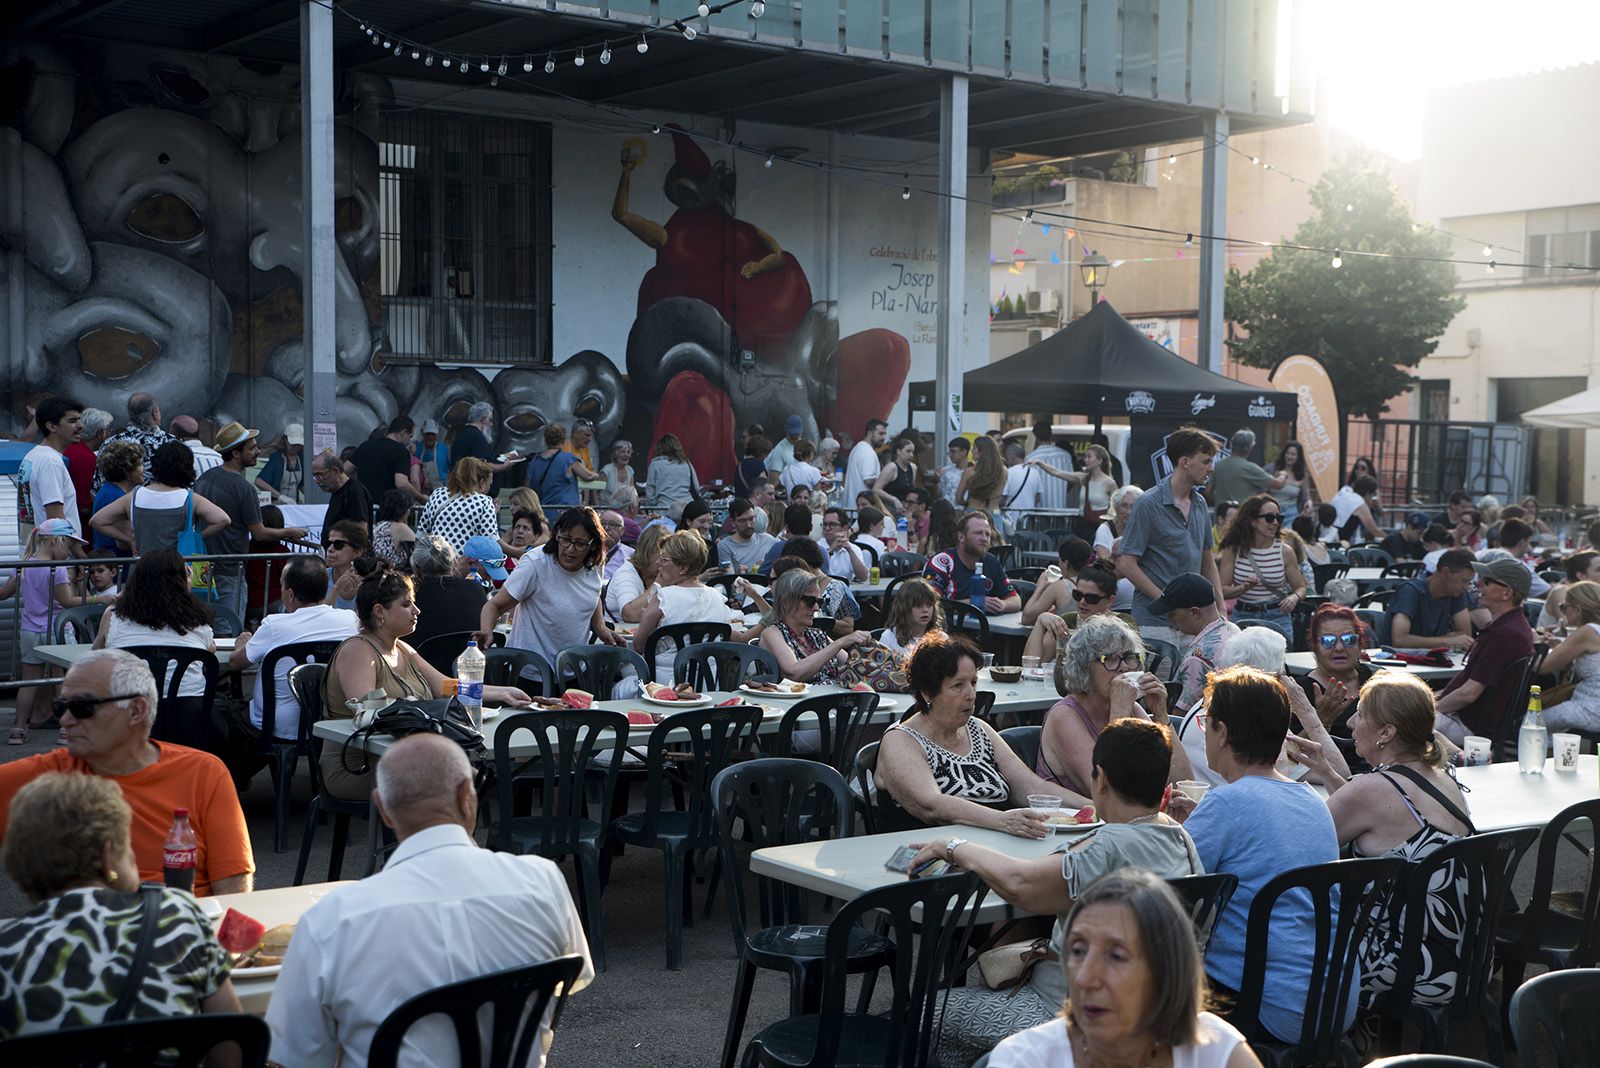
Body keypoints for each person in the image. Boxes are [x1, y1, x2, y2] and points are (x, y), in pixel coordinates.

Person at [266, 733, 592, 1068]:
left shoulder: (333, 921)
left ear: (383, 809)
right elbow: (572, 979)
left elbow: (295, 1055)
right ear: (467, 795)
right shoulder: (543, 881)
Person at [912, 723, 1208, 1067]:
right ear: (1164, 787)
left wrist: (953, 847)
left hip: (1063, 1012)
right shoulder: (1181, 839)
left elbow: (1019, 884)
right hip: (1153, 1013)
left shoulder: (1108, 846)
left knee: (923, 1014)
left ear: (1101, 780)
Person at [1291, 672, 1474, 1050]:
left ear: (1386, 733)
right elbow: (1381, 819)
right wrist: (1327, 771)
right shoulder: (1443, 778)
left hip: (1403, 963)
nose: (1352, 723)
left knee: (1285, 935)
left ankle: (1323, 1047)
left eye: (1359, 714)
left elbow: (1300, 849)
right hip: (1458, 955)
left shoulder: (1370, 790)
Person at [1174, 665, 1345, 1045]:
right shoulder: (1312, 801)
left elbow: (1166, 884)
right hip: (1331, 1000)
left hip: (1262, 1005)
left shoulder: (1227, 802)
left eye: (1207, 724)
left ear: (1223, 732)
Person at [0, 773, 242, 1037]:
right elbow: (232, 1044)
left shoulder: (7, 953)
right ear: (107, 856)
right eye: (127, 845)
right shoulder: (178, 917)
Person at [0, 649, 253, 895]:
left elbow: (233, 884)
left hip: (186, 925)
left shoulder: (203, 772)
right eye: (60, 706)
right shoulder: (46, 778)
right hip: (89, 929)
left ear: (135, 711)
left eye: (82, 706)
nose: (65, 719)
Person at [982, 868, 1258, 1068]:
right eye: (1078, 951)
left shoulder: (1213, 1049)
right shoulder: (1026, 1058)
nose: (1085, 978)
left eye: (1116, 956)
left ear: (1165, 970)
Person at [324, 565, 533, 801]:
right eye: (406, 604)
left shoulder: (402, 648)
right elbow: (368, 710)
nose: (417, 610)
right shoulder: (358, 650)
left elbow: (444, 686)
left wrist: (502, 693)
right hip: (360, 766)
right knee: (464, 779)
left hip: (404, 758)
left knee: (473, 778)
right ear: (380, 611)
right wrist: (420, 708)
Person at [875, 631, 1087, 830]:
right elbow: (932, 806)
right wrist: (1002, 820)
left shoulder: (978, 729)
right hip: (934, 856)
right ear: (928, 693)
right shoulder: (900, 740)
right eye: (958, 685)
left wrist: (1094, 807)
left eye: (973, 683)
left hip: (993, 845)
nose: (971, 694)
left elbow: (1030, 787)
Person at [1038, 615, 1191, 799]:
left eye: (1129, 657)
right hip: (1077, 824)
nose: (1124, 667)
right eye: (1110, 659)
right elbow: (1109, 795)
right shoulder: (1064, 716)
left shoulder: (1132, 708)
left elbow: (1183, 784)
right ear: (1084, 666)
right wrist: (1119, 715)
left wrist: (1161, 715)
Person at [230, 557, 358, 741]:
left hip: (276, 726)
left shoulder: (274, 625)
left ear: (289, 594)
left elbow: (236, 662)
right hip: (332, 723)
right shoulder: (351, 621)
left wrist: (242, 643)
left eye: (282, 586)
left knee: (229, 711)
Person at [1118, 426, 1223, 649]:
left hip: (1195, 623)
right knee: (1157, 684)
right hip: (1154, 623)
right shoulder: (1148, 503)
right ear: (1185, 462)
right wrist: (1166, 602)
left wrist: (1220, 610)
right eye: (1206, 461)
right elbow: (1126, 564)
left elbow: (1207, 560)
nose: (1211, 468)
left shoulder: (1200, 503)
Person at [479, 507, 624, 666]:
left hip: (575, 669)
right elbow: (495, 605)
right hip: (532, 671)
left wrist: (600, 627)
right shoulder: (535, 563)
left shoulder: (595, 564)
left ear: (593, 545)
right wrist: (487, 631)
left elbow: (592, 594)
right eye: (565, 539)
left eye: (580, 543)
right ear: (556, 536)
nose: (570, 549)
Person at [195, 421, 310, 619]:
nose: (258, 451)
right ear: (235, 453)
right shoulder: (244, 488)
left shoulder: (204, 479)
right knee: (229, 626)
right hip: (230, 568)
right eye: (252, 448)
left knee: (203, 622)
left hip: (201, 565)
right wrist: (289, 532)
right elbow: (260, 533)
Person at [91, 549, 217, 725]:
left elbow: (97, 654)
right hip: (187, 713)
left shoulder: (113, 615)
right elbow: (209, 651)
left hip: (129, 712)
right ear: (181, 581)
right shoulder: (197, 619)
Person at [6, 521, 105, 743]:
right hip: (57, 629)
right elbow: (67, 601)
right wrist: (99, 598)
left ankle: (19, 729)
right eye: (68, 546)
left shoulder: (23, 565)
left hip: (30, 630)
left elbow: (4, 593)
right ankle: (65, 730)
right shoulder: (58, 569)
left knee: (29, 682)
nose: (69, 552)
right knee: (64, 680)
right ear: (55, 541)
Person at [633, 531, 761, 681]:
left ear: (683, 568)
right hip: (709, 684)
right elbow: (737, 638)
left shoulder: (663, 597)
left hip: (664, 684)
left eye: (664, 559)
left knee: (619, 689)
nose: (658, 564)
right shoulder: (717, 597)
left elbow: (639, 645)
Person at [88, 440, 229, 556]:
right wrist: (194, 538)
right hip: (176, 568)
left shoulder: (134, 497)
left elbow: (97, 521)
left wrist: (130, 539)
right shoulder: (190, 498)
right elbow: (222, 520)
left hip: (142, 568)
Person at [758, 568, 873, 683]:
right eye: (810, 601)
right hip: (800, 700)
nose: (816, 608)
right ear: (786, 602)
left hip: (831, 696)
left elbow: (852, 665)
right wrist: (840, 642)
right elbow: (793, 673)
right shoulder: (772, 633)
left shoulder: (816, 634)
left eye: (819, 602)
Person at [1291, 604, 1375, 763]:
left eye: (1348, 640)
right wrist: (1320, 720)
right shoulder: (1298, 691)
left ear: (1360, 644)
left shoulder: (1376, 680)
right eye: (1328, 641)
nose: (1339, 648)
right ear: (1315, 647)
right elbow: (1288, 755)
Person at [1216, 494, 1304, 643]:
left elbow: (1301, 587)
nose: (1275, 522)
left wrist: (1294, 598)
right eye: (1269, 518)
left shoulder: (1285, 551)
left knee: (1279, 664)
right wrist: (1243, 588)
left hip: (1277, 615)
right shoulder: (1234, 551)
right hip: (1244, 615)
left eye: (1279, 518)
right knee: (1242, 665)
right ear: (1253, 522)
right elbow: (1221, 590)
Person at [1155, 573, 1243, 714]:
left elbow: (1180, 715)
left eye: (1172, 614)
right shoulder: (1233, 629)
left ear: (1194, 613)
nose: (1171, 621)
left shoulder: (1197, 659)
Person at [1523, 579, 1600, 734]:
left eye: (1564, 607)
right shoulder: (1593, 631)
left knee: (1531, 725)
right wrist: (1560, 646)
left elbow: (1541, 668)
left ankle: (1541, 757)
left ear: (1577, 609)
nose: (1563, 612)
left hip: (1591, 708)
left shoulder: (1587, 631)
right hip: (1591, 705)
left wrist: (1533, 642)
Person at [1022, 560, 1122, 666]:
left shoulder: (1122, 627)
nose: (1082, 602)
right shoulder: (1068, 621)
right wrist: (1040, 622)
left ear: (1110, 601)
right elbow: (1031, 666)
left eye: (1091, 598)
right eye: (1077, 595)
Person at [406, 535, 490, 656]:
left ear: (417, 569)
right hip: (467, 667)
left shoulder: (409, 594)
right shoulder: (476, 589)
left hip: (419, 669)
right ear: (452, 563)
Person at [924, 511, 1021, 615]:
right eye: (978, 533)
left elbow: (1016, 600)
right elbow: (928, 603)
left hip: (984, 628)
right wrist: (973, 605)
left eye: (987, 534)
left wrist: (1003, 604)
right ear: (961, 537)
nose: (984, 539)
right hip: (948, 629)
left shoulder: (991, 561)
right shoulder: (943, 562)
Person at [1383, 547, 1475, 650]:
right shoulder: (1410, 591)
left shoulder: (1456, 592)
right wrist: (1447, 641)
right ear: (1446, 573)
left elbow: (1465, 635)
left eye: (1469, 582)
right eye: (1463, 581)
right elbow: (1399, 640)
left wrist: (1430, 642)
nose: (1466, 587)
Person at [21, 396, 85, 537]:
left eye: (79, 419)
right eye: (72, 421)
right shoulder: (50, 461)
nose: (81, 425)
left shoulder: (33, 456)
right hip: (56, 554)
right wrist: (79, 554)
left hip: (39, 551)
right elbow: (55, 522)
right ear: (51, 426)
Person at [93, 392, 175, 492]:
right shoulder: (173, 443)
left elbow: (98, 487)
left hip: (119, 506)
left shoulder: (110, 444)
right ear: (155, 413)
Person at [418, 456, 501, 553]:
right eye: (489, 484)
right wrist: (516, 552)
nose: (489, 488)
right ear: (482, 484)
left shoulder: (437, 494)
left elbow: (421, 535)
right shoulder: (484, 502)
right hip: (464, 565)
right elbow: (490, 542)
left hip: (435, 562)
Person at [527, 423, 601, 523]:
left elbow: (527, 487)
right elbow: (588, 475)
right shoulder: (568, 459)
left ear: (545, 439)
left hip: (543, 512)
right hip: (566, 512)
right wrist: (597, 475)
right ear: (563, 440)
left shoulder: (535, 461)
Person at [353, 416, 425, 508]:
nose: (409, 442)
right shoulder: (401, 452)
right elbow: (401, 483)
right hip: (387, 509)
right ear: (403, 433)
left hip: (362, 506)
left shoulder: (365, 445)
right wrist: (421, 497)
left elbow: (346, 469)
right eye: (410, 436)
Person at [89, 440, 144, 553]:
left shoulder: (109, 490)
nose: (143, 469)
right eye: (139, 464)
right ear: (128, 471)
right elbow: (124, 542)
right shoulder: (115, 496)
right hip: (117, 561)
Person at [1209, 429, 1288, 507]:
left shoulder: (1219, 465)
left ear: (1232, 444)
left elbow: (1207, 491)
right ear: (1248, 448)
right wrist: (1283, 474)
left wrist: (1220, 502)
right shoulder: (1249, 468)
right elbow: (1278, 484)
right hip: (1241, 517)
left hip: (1221, 516)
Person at [606, 522, 666, 623]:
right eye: (662, 556)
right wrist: (659, 583)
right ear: (646, 552)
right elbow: (630, 615)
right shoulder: (626, 573)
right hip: (616, 634)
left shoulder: (658, 574)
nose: (664, 561)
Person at [312, 448, 374, 536]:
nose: (317, 481)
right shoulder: (337, 492)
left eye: (320, 475)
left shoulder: (355, 492)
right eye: (315, 477)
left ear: (335, 471)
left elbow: (361, 530)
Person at [880, 577, 943, 655]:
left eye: (929, 605)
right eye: (918, 605)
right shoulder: (889, 637)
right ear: (904, 608)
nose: (925, 610)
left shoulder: (941, 638)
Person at [1537, 550, 1600, 629]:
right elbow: (1570, 626)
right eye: (1599, 569)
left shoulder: (1596, 593)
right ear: (1581, 576)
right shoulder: (1562, 593)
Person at [638, 432, 699, 513]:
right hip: (687, 508)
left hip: (664, 509)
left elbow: (651, 495)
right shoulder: (686, 463)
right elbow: (696, 488)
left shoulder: (655, 465)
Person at [1490, 518, 1551, 597]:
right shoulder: (1517, 566)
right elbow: (1547, 592)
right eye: (1528, 542)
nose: (1530, 547)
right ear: (1522, 542)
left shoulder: (1482, 554)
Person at [718, 498, 779, 573]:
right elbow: (729, 578)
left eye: (751, 519)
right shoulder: (725, 546)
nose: (748, 525)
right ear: (733, 522)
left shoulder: (769, 540)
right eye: (742, 521)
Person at [322, 520, 372, 611]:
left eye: (338, 545)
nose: (330, 549)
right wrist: (336, 589)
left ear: (357, 552)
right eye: (328, 544)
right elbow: (318, 616)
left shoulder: (368, 584)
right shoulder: (320, 578)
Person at [957, 434, 1008, 520]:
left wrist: (968, 503)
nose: (972, 450)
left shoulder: (969, 472)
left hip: (974, 513)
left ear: (982, 451)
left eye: (974, 448)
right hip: (995, 514)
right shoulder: (1003, 471)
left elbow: (958, 499)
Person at [257, 423, 306, 505]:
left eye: (298, 445)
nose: (296, 447)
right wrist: (280, 497)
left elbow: (302, 485)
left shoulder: (301, 459)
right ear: (285, 440)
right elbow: (259, 481)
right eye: (293, 444)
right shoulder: (277, 459)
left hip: (295, 505)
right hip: (277, 506)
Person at [843, 418, 888, 505]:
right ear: (869, 433)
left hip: (854, 506)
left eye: (885, 434)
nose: (884, 438)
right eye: (880, 434)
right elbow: (868, 480)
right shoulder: (867, 452)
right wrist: (885, 480)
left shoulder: (858, 448)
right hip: (862, 508)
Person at [819, 506, 870, 582]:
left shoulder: (854, 548)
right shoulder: (816, 547)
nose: (827, 528)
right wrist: (830, 551)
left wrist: (850, 551)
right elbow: (816, 575)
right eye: (825, 524)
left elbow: (863, 577)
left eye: (832, 524)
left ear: (844, 528)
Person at [1266, 440, 1312, 523]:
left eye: (1293, 454)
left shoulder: (1302, 475)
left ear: (1298, 457)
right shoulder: (1271, 469)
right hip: (1271, 513)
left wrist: (1308, 503)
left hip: (1291, 514)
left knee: (1287, 535)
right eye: (1287, 453)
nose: (1289, 456)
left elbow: (1306, 496)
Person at [1331, 475, 1385, 545]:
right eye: (1372, 495)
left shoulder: (1345, 493)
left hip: (1330, 535)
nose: (1372, 499)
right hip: (1338, 541)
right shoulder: (1359, 502)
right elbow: (1374, 530)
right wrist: (1392, 540)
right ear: (1368, 493)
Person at [871, 437, 919, 514]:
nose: (911, 455)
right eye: (908, 451)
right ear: (898, 451)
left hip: (904, 510)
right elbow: (876, 489)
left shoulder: (913, 468)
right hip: (889, 509)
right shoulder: (891, 468)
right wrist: (894, 499)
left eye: (912, 452)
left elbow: (910, 490)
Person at [1094, 484, 1142, 560]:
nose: (1128, 512)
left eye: (1133, 506)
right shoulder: (1105, 529)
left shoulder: (1143, 529)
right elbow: (1103, 560)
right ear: (1116, 507)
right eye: (1124, 506)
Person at [371, 490, 417, 569]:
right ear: (406, 511)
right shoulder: (401, 528)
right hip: (389, 575)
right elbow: (422, 547)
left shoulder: (378, 526)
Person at [413, 418, 450, 492]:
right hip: (422, 489)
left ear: (437, 434)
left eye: (432, 434)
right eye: (428, 434)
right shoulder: (417, 449)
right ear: (422, 433)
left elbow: (450, 469)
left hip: (441, 488)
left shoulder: (444, 449)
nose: (430, 437)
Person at [598, 510, 635, 582]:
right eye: (602, 524)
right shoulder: (586, 550)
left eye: (612, 524)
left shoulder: (631, 555)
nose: (606, 528)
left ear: (622, 530)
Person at [735, 434, 772, 499]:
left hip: (740, 503)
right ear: (762, 453)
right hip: (752, 504)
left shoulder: (739, 465)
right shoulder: (759, 465)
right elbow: (764, 487)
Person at [938, 436, 971, 504]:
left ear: (964, 452)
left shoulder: (972, 472)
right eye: (949, 452)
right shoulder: (945, 471)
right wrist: (936, 480)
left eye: (953, 452)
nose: (950, 455)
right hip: (947, 508)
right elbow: (939, 494)